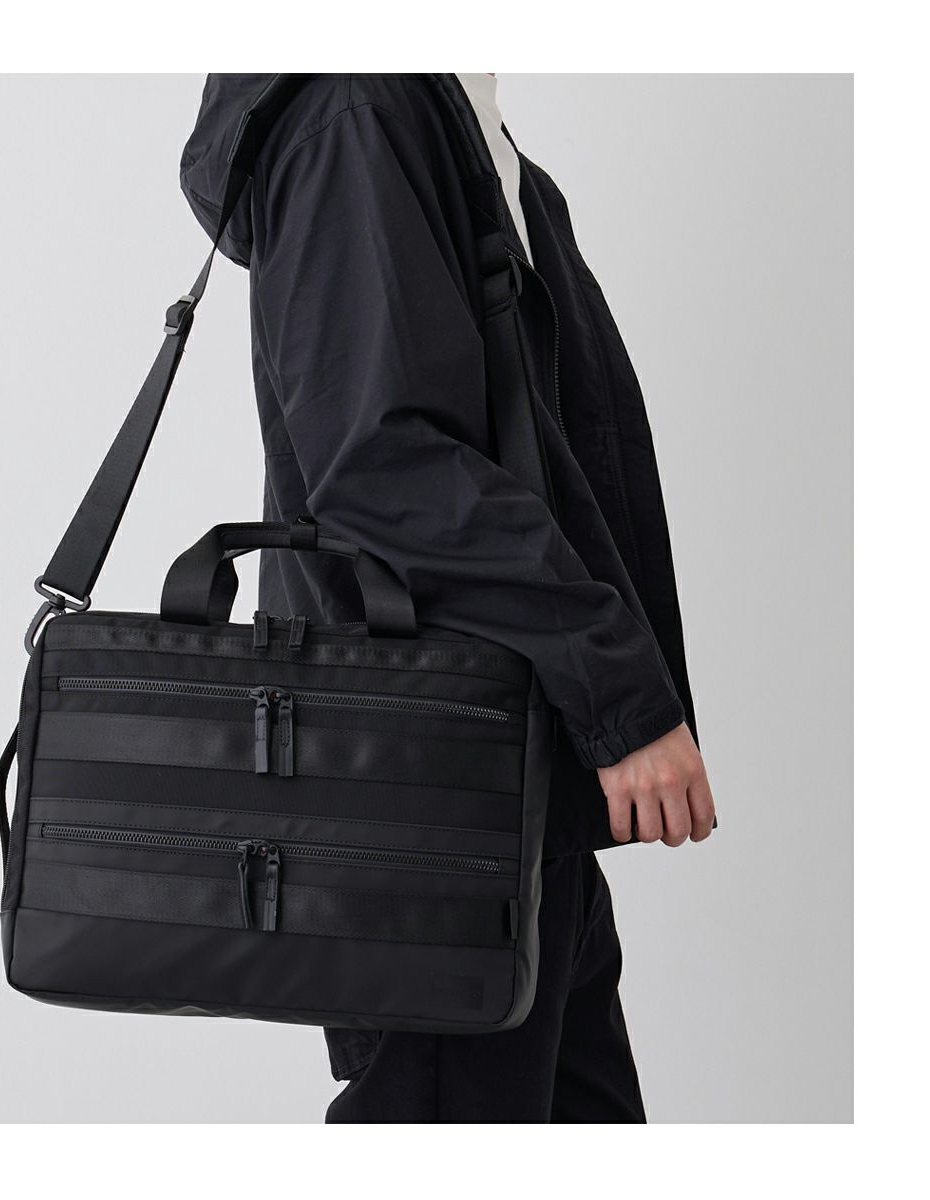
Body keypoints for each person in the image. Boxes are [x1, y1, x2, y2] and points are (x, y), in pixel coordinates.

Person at [180, 73, 715, 1123]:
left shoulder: (452, 113)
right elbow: (384, 465)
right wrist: (618, 692)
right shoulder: (354, 110)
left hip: (505, 781)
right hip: (429, 805)